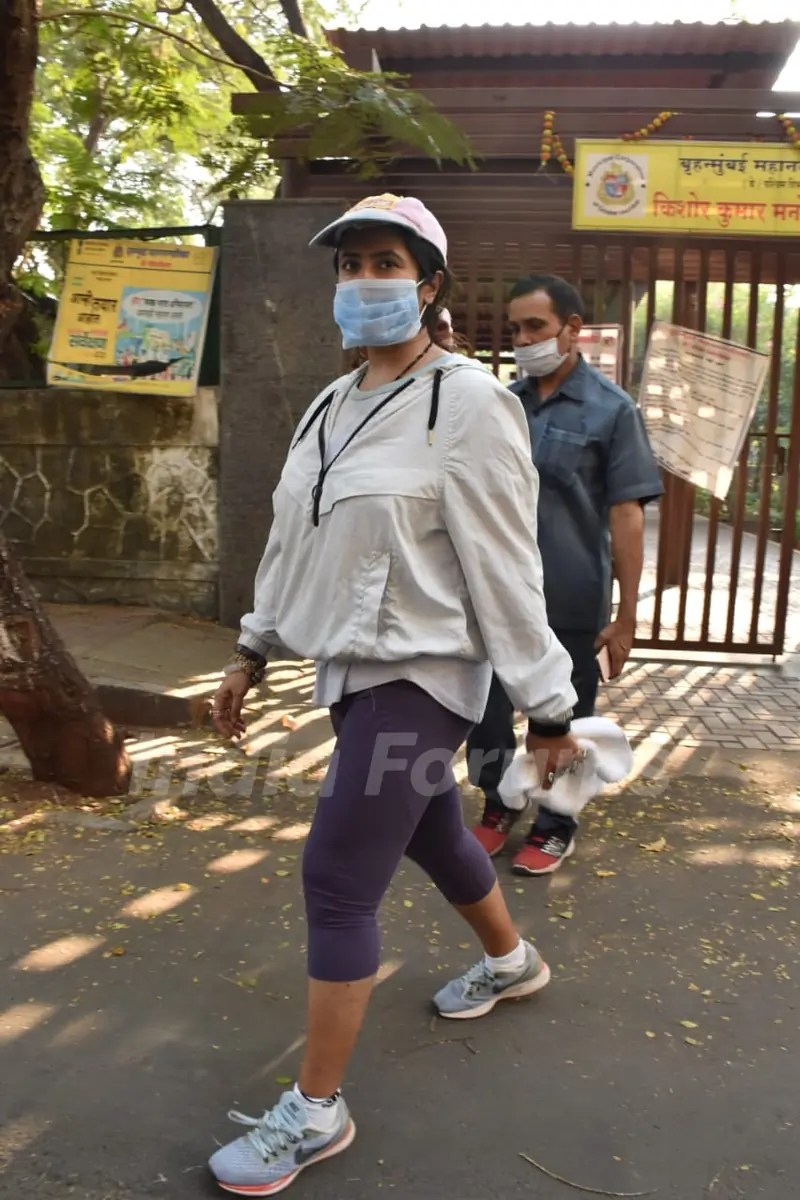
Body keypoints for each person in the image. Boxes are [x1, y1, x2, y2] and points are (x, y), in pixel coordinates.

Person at [207, 197, 579, 1196]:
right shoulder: (329, 407)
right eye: (349, 264)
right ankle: (510, 964)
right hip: (352, 673)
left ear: (428, 284)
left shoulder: (465, 402)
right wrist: (251, 649)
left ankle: (315, 1112)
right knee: (428, 833)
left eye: (385, 261)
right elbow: (293, 539)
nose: (364, 279)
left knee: (336, 873)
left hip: (424, 679)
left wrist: (548, 708)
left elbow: (506, 567)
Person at [468, 274, 664, 877]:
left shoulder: (613, 410)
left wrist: (627, 615)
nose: (523, 339)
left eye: (535, 327)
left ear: (572, 328)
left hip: (570, 595)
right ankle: (498, 806)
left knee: (566, 718)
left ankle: (556, 824)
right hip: (497, 592)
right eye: (516, 328)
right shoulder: (503, 402)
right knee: (488, 709)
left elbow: (626, 514)